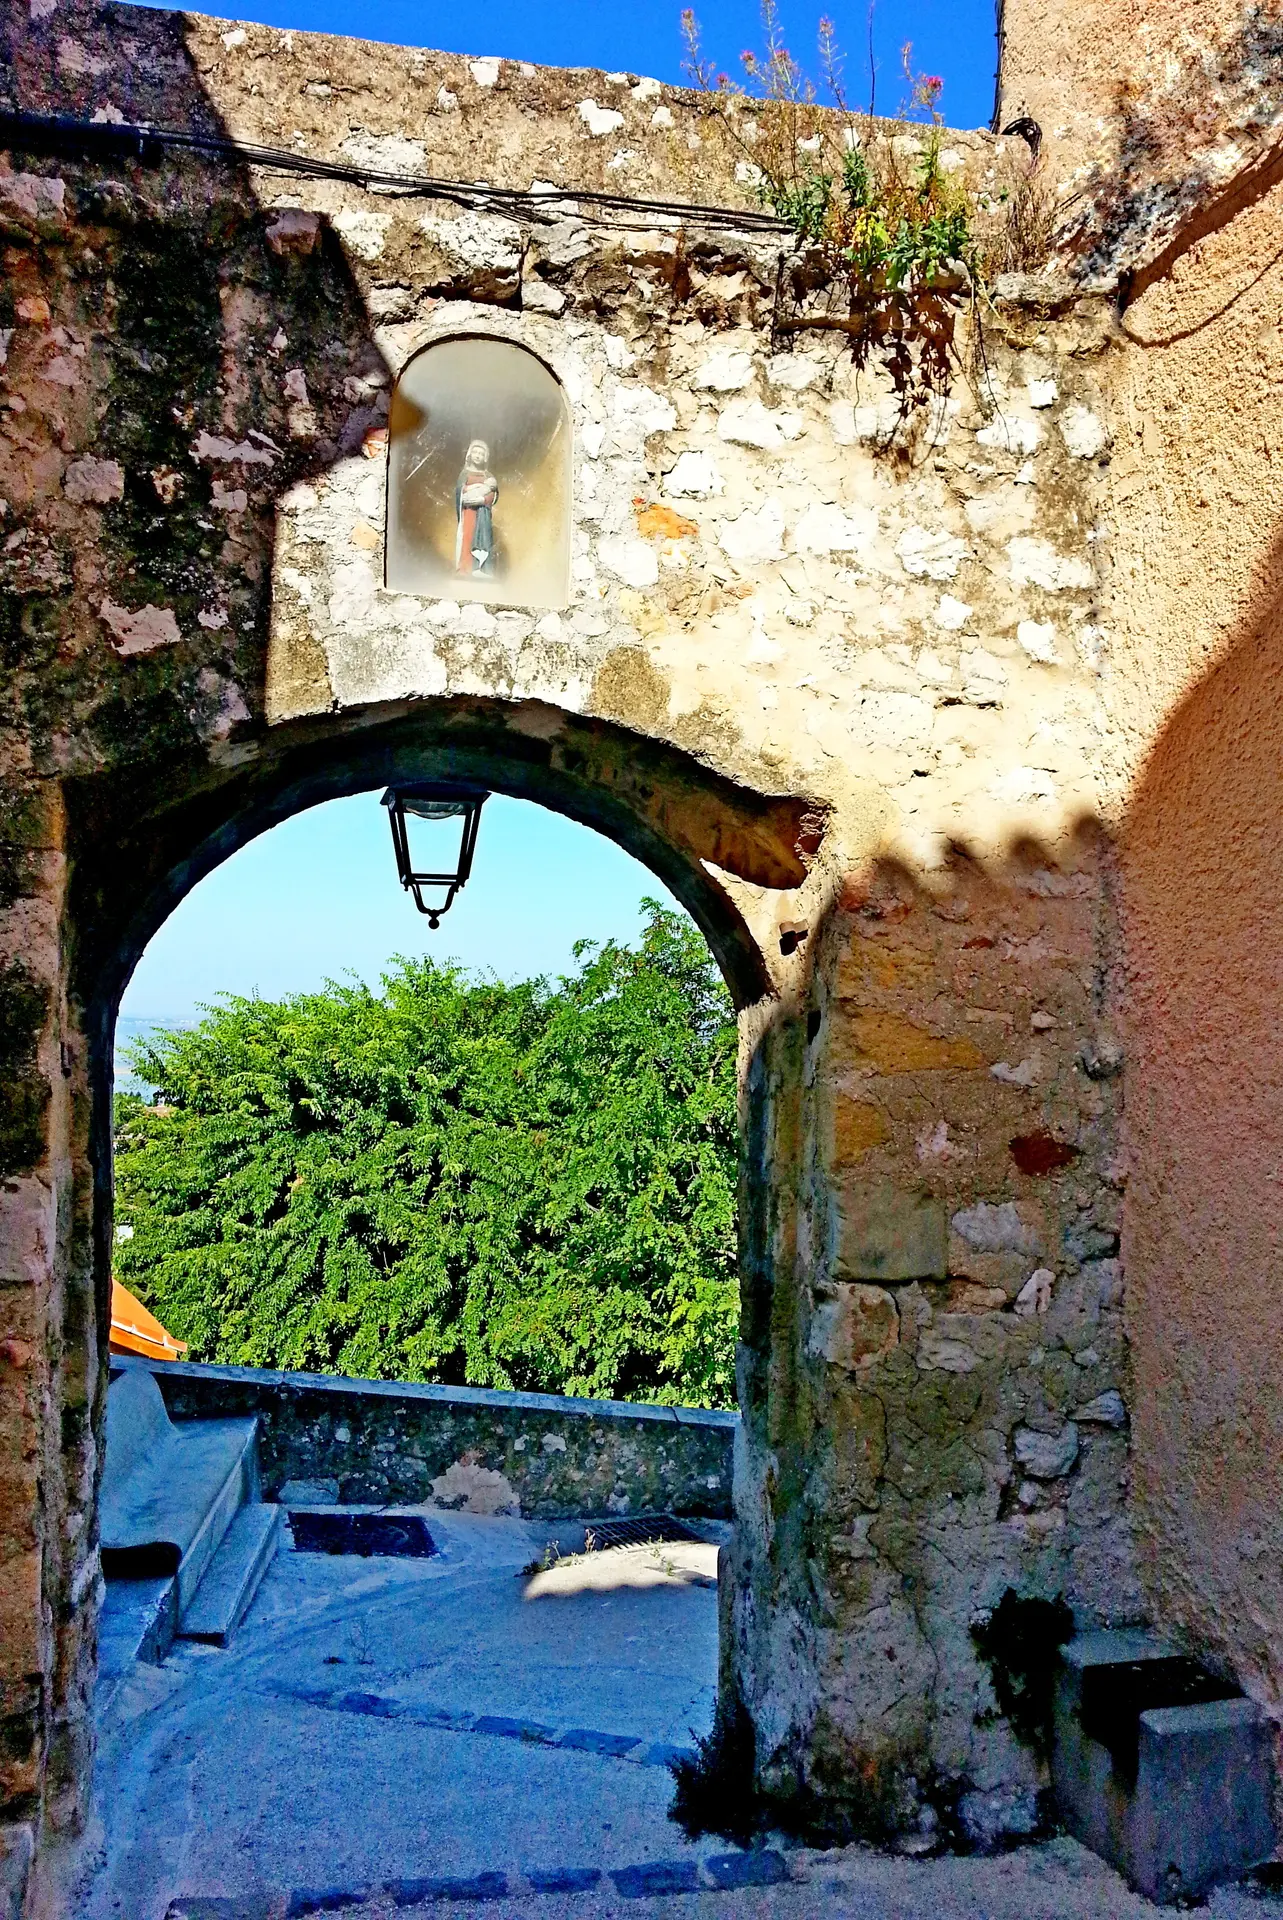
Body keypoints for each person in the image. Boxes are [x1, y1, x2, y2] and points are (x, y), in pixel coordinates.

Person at [454, 438, 499, 575]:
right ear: (470, 454)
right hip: (468, 513)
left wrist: (482, 499)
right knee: (467, 537)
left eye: (481, 453)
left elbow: (493, 495)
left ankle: (480, 569)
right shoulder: (464, 474)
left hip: (482, 514)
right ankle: (466, 569)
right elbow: (459, 492)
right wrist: (474, 488)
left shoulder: (488, 476)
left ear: (485, 457)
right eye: (475, 452)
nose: (478, 456)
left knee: (483, 538)